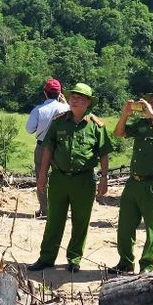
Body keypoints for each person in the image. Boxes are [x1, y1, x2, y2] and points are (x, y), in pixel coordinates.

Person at [28, 83, 112, 273]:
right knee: (54, 220)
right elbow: (48, 149)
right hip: (59, 178)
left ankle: (74, 258)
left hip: (84, 180)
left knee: (80, 221)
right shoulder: (59, 122)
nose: (74, 100)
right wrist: (42, 175)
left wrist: (104, 178)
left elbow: (104, 153)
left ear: (88, 102)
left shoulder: (96, 126)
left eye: (80, 98)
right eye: (73, 97)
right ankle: (46, 257)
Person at [110, 89, 153, 274]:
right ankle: (125, 263)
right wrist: (125, 115)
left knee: (151, 227)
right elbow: (118, 133)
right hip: (134, 182)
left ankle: (147, 264)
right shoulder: (142, 123)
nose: (152, 105)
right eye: (151, 102)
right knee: (125, 225)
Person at [25, 78, 68, 217]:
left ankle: (44, 209)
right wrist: (65, 102)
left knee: (41, 177)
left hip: (42, 146)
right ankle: (61, 209)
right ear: (60, 93)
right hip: (61, 147)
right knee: (62, 178)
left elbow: (29, 130)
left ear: (45, 93)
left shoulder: (37, 110)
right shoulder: (66, 108)